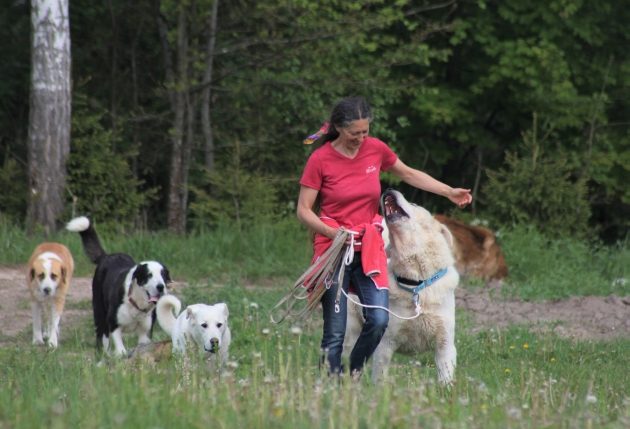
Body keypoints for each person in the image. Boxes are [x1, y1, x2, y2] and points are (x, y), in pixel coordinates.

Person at [297, 96, 472, 377]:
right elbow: (304, 210)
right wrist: (333, 232)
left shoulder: (375, 149)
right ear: (340, 129)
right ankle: (330, 387)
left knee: (378, 320)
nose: (361, 138)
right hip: (335, 250)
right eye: (355, 133)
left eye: (365, 132)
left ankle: (352, 373)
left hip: (369, 247)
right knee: (335, 331)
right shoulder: (320, 159)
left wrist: (448, 191)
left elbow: (409, 174)